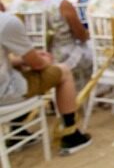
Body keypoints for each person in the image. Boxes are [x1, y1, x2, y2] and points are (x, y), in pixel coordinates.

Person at [0, 11, 92, 153]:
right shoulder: (6, 21)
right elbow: (37, 64)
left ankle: (17, 130)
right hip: (6, 95)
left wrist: (21, 60)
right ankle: (71, 134)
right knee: (63, 71)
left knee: (20, 69)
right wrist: (44, 61)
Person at [9, 0, 93, 88]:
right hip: (62, 59)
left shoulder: (16, 5)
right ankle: (76, 95)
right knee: (92, 51)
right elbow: (81, 36)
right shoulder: (60, 4)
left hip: (29, 59)